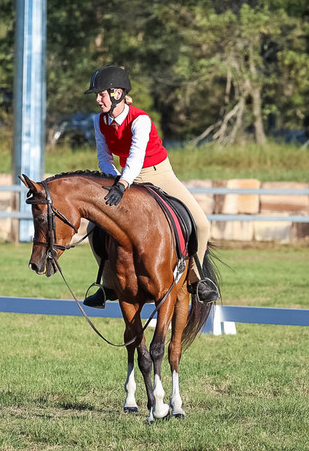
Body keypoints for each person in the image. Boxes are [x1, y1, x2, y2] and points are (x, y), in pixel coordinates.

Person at [82, 65, 220, 308]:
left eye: (101, 93)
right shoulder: (99, 120)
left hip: (159, 174)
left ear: (117, 93)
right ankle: (109, 285)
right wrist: (116, 180)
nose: (97, 99)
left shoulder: (141, 120)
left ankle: (199, 281)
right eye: (98, 94)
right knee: (95, 225)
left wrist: (122, 183)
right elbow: (104, 157)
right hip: (127, 177)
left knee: (200, 223)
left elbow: (136, 156)